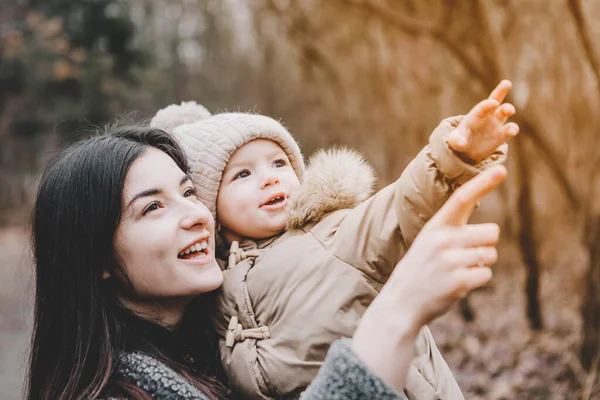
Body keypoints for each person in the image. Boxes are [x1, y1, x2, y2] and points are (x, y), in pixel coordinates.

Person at [26, 123, 506, 400]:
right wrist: (396, 315)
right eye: (153, 207)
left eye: (189, 192)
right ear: (96, 258)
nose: (195, 215)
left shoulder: (202, 340)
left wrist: (455, 156)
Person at [150, 80, 518, 399]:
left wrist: (454, 155)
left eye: (279, 163)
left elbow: (401, 206)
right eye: (243, 174)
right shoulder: (209, 284)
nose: (269, 178)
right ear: (210, 204)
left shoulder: (333, 232)